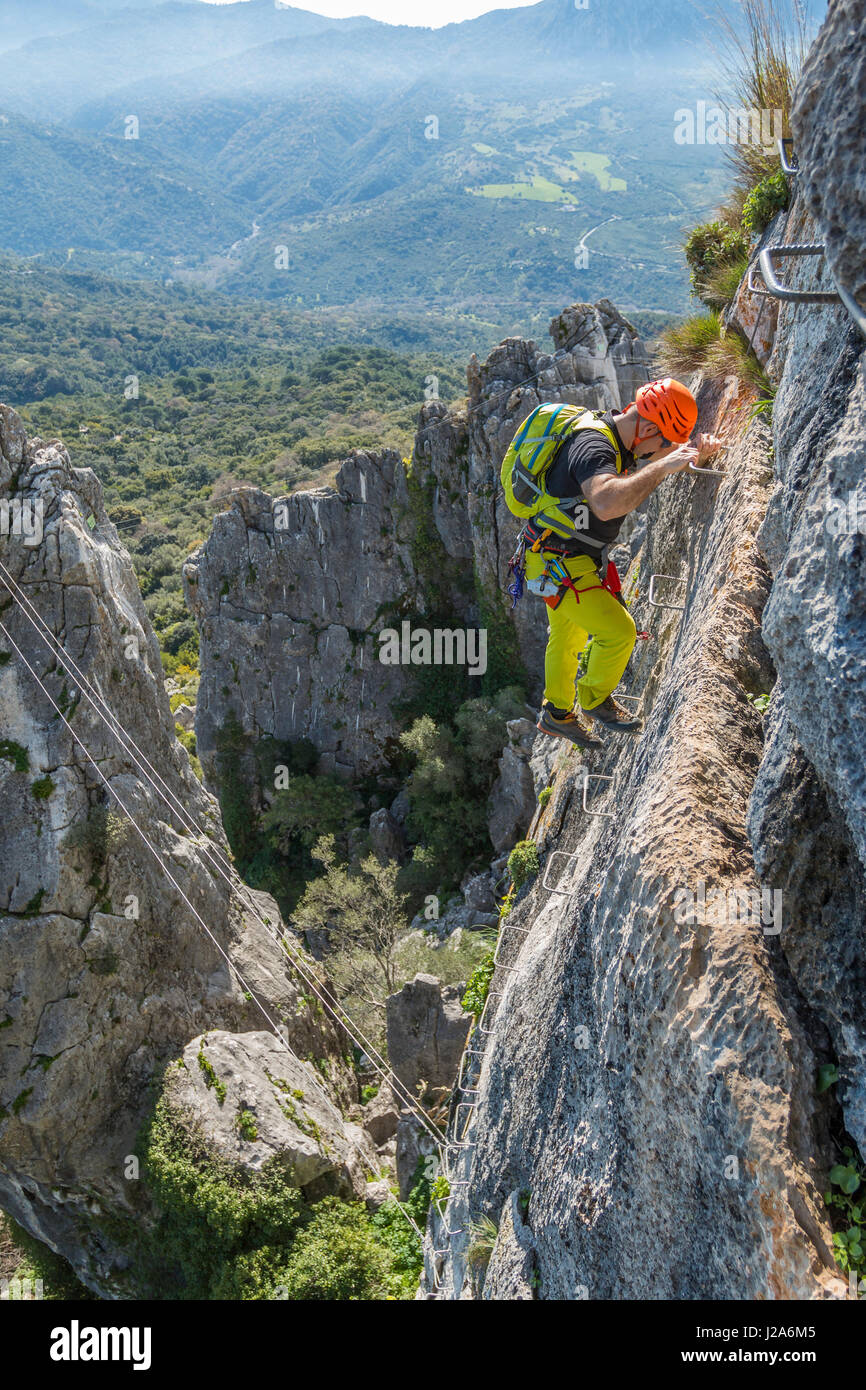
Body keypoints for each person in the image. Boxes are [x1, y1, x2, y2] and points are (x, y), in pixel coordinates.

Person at [524, 378, 724, 746]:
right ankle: (594, 699)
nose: (660, 451)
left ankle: (556, 714)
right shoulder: (594, 446)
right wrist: (665, 467)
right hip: (560, 563)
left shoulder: (622, 440)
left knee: (567, 640)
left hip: (558, 558)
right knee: (618, 631)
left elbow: (656, 461)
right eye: (662, 442)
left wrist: (694, 452)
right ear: (648, 427)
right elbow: (605, 502)